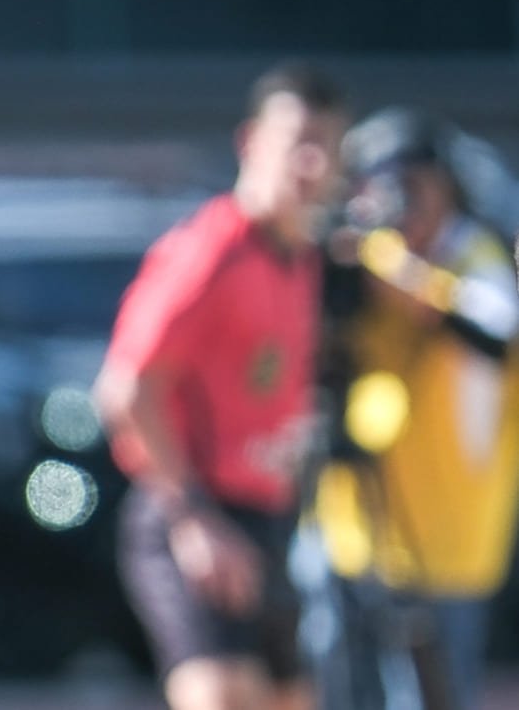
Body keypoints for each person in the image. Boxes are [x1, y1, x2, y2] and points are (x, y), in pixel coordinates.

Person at [93, 61, 348, 710]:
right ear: (250, 142)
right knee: (223, 697)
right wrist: (192, 519)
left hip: (271, 522)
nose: (313, 163)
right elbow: (125, 390)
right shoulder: (211, 251)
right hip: (197, 515)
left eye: (327, 146)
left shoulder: (305, 259)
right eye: (299, 143)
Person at [300, 106, 519, 710]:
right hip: (354, 527)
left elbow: (492, 333)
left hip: (442, 541)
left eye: (413, 185)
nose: (401, 204)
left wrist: (401, 280)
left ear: (448, 184)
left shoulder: (475, 258)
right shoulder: (366, 259)